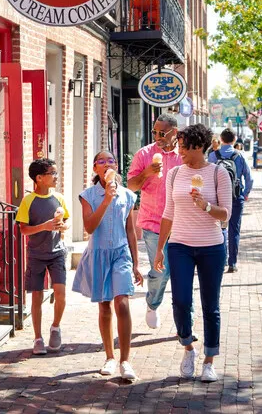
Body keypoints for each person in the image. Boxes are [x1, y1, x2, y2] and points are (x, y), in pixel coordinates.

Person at [154, 124, 232, 382]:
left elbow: (226, 215)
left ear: (199, 146)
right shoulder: (174, 173)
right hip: (179, 246)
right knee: (181, 302)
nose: (180, 150)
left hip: (211, 247)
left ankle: (209, 361)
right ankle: (188, 347)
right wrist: (159, 250)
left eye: (184, 146)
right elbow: (168, 212)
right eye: (179, 145)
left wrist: (206, 206)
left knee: (211, 306)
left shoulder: (218, 174)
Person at [73, 151, 144, 380]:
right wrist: (106, 199)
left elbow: (130, 231)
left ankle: (125, 360)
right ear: (95, 169)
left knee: (122, 303)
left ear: (116, 167)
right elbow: (89, 228)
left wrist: (135, 263)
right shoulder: (88, 196)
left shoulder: (128, 195)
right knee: (105, 307)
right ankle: (109, 357)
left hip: (121, 253)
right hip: (98, 254)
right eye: (100, 161)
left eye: (110, 161)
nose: (106, 164)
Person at [126, 113, 184, 330]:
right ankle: (152, 304)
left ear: (174, 132)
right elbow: (131, 185)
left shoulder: (184, 155)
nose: (158, 136)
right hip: (153, 223)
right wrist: (147, 173)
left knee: (182, 274)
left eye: (162, 132)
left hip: (181, 224)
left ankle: (185, 321)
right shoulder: (145, 154)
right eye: (154, 132)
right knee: (161, 271)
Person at [15, 158, 70, 355]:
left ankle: (55, 328)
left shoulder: (59, 198)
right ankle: (37, 338)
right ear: (39, 178)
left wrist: (62, 226)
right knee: (36, 296)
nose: (56, 176)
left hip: (57, 253)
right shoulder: (28, 201)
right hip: (36, 254)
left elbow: (66, 222)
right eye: (52, 173)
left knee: (61, 293)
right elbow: (23, 230)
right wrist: (44, 226)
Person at [208, 128, 252, 273]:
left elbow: (208, 178)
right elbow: (249, 178)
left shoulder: (213, 156)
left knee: (220, 228)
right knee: (234, 230)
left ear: (221, 139)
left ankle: (221, 261)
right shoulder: (240, 156)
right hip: (236, 196)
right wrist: (245, 194)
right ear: (234, 140)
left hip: (218, 198)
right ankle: (232, 263)